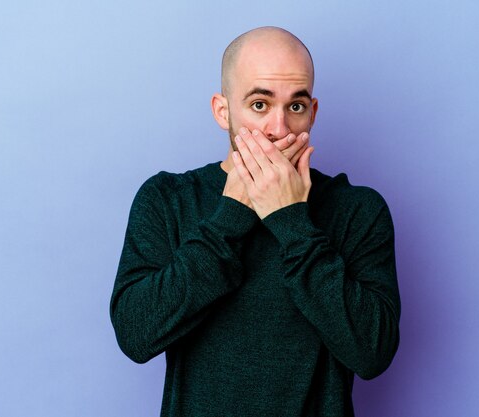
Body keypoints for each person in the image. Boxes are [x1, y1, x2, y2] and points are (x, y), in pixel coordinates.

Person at [110, 26, 400, 417]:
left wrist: (292, 222)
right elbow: (135, 335)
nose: (278, 129)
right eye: (260, 105)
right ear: (223, 110)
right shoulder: (167, 199)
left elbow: (372, 353)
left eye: (295, 107)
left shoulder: (357, 210)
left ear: (312, 113)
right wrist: (231, 216)